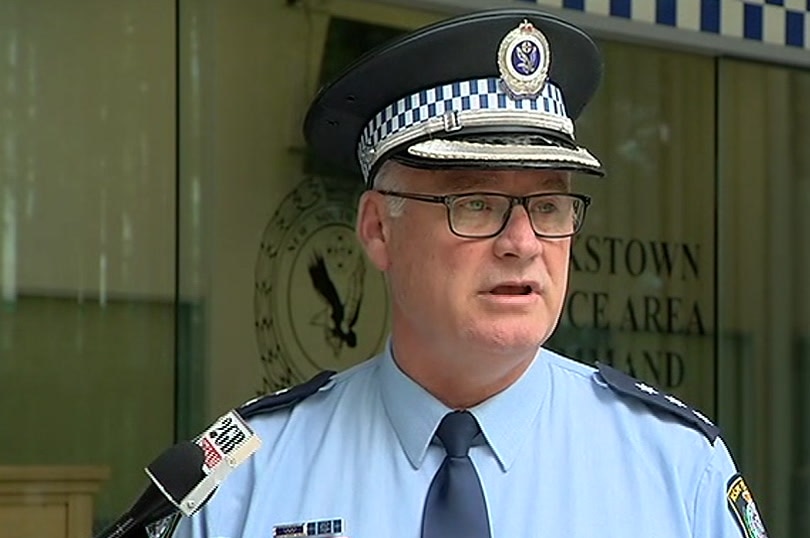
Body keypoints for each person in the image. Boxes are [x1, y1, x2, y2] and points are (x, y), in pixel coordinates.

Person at [174, 7, 768, 538]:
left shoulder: (675, 469)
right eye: (476, 203)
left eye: (549, 205)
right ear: (379, 228)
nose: (522, 243)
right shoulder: (250, 481)